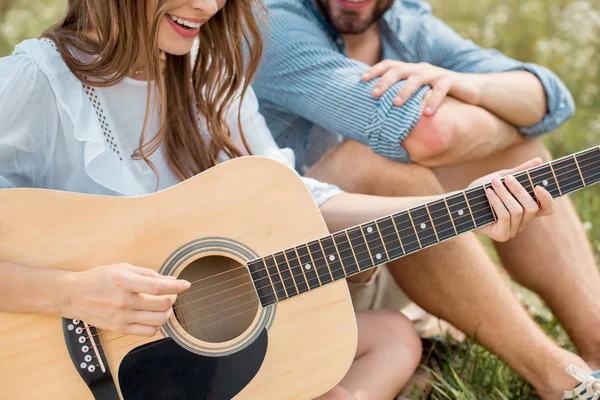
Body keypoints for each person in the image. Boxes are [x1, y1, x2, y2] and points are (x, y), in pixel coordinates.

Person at [0, 1, 587, 399]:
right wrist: (75, 293)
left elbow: (299, 197)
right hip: (66, 350)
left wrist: (467, 212)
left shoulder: (206, 68)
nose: (208, 4)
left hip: (183, 356)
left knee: (392, 339)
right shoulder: (36, 82)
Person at [252, 0, 600, 398]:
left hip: (385, 257)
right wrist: (511, 117)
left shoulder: (404, 23)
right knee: (379, 164)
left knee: (516, 156)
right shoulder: (272, 23)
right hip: (283, 278)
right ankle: (560, 377)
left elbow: (550, 96)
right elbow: (428, 135)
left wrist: (473, 85)